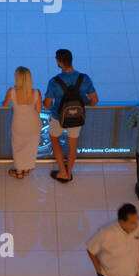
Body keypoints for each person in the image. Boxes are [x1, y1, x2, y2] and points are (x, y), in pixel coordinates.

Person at [43, 49, 97, 183]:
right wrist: (84, 103)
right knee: (73, 145)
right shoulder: (84, 79)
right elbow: (94, 100)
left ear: (59, 62)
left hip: (58, 117)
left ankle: (62, 171)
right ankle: (69, 171)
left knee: (54, 139)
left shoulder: (54, 82)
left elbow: (48, 104)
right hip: (77, 118)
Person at [4, 66, 42, 179]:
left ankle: (19, 172)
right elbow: (39, 109)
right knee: (31, 148)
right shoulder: (36, 93)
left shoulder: (11, 92)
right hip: (33, 125)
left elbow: (5, 105)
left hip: (18, 125)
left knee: (18, 148)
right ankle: (27, 170)